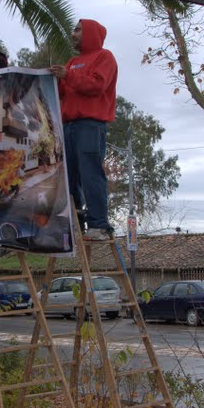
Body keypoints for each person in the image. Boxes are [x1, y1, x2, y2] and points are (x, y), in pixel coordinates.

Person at [51, 18, 117, 241]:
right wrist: (52, 79)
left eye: (78, 30)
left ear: (90, 32)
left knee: (90, 173)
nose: (73, 34)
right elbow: (61, 91)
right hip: (68, 125)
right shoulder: (72, 61)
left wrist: (67, 76)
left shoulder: (104, 57)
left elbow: (97, 85)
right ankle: (75, 221)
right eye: (73, 30)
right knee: (69, 176)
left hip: (90, 124)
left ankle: (99, 225)